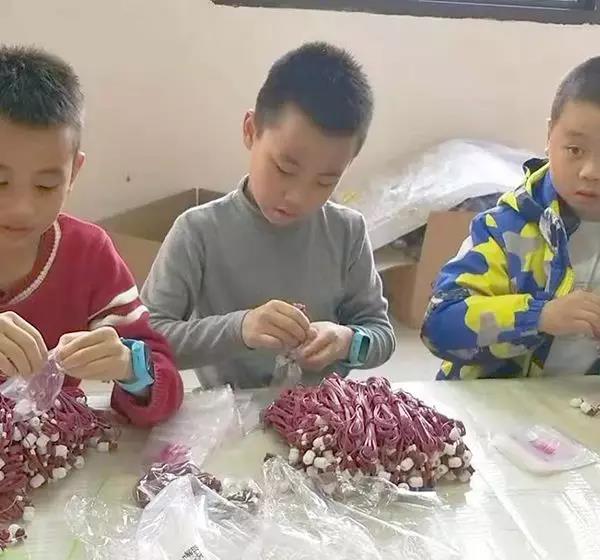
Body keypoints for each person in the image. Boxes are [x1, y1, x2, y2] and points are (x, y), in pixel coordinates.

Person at [142, 42, 395, 388]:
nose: (298, 197)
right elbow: (146, 341)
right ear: (251, 130)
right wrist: (239, 329)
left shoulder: (347, 231)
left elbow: (381, 332)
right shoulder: (198, 231)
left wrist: (348, 341)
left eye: (325, 181)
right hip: (228, 410)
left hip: (322, 411)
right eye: (284, 169)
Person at [0, 46, 182, 425]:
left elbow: (166, 384)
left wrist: (129, 366)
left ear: (73, 173)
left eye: (46, 186)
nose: (21, 208)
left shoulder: (88, 255)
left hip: (50, 444)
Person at [421, 56, 600, 380]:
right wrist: (540, 317)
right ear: (549, 136)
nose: (591, 172)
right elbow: (439, 325)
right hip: (493, 404)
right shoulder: (505, 228)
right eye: (575, 150)